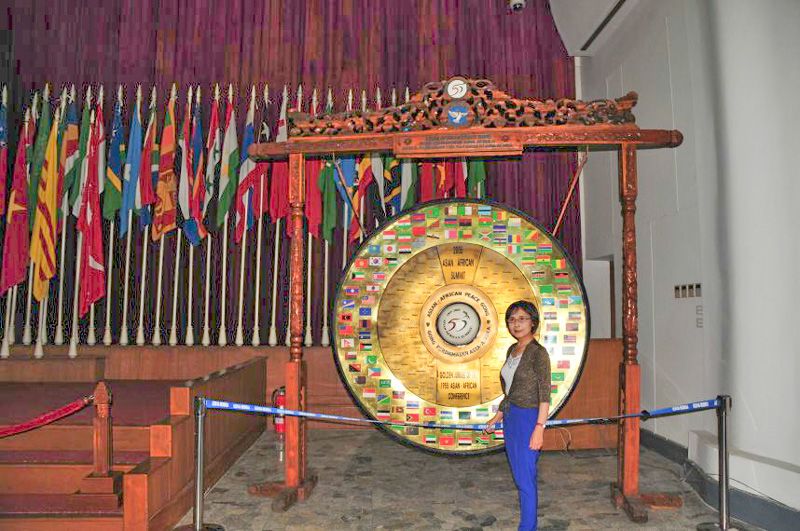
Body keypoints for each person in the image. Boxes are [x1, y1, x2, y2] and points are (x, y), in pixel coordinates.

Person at [485, 300, 551, 531]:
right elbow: (510, 391)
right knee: (519, 474)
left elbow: (545, 395)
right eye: (512, 319)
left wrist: (539, 428)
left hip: (529, 419)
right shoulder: (511, 350)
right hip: (511, 418)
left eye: (522, 319)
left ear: (533, 322)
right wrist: (498, 416)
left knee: (525, 479)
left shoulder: (538, 353)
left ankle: (528, 527)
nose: (516, 324)